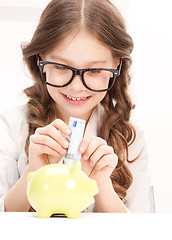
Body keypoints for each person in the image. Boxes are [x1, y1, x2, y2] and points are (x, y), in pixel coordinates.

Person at [0, 0, 150, 213]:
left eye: (94, 70)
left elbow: (140, 228)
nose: (77, 87)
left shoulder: (130, 137)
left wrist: (101, 185)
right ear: (41, 58)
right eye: (61, 67)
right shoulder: (12, 125)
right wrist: (33, 172)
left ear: (115, 65)